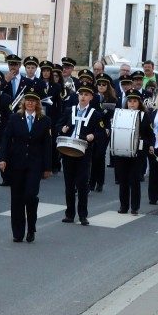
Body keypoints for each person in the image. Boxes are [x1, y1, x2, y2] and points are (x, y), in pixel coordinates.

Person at [0, 85, 53, 243]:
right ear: (24, 102)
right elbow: (6, 139)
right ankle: (18, 232)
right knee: (17, 199)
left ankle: (31, 227)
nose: (30, 103)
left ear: (37, 103)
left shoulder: (44, 120)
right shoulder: (15, 118)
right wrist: (2, 159)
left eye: (33, 100)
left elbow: (47, 145)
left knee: (30, 196)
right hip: (17, 163)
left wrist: (48, 167)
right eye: (28, 100)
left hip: (35, 164)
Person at [59, 84, 104, 225]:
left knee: (82, 184)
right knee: (69, 184)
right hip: (68, 150)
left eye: (86, 94)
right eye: (81, 94)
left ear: (91, 97)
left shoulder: (96, 114)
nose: (83, 97)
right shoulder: (69, 110)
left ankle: (83, 215)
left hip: (84, 152)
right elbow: (57, 126)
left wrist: (93, 135)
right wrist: (62, 128)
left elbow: (102, 132)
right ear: (78, 96)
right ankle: (69, 214)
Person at [111, 91, 152, 215]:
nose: (132, 104)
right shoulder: (120, 114)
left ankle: (135, 207)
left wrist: (146, 144)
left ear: (139, 103)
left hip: (137, 152)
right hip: (122, 150)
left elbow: (150, 135)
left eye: (135, 101)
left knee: (134, 180)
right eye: (130, 101)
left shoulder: (144, 116)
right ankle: (123, 206)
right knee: (123, 180)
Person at [89, 76, 114, 193]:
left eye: (104, 85)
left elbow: (109, 115)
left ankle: (100, 182)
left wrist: (108, 127)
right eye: (99, 84)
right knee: (93, 156)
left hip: (104, 129)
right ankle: (92, 182)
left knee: (100, 155)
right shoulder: (93, 97)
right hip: (93, 129)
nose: (101, 86)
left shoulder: (111, 98)